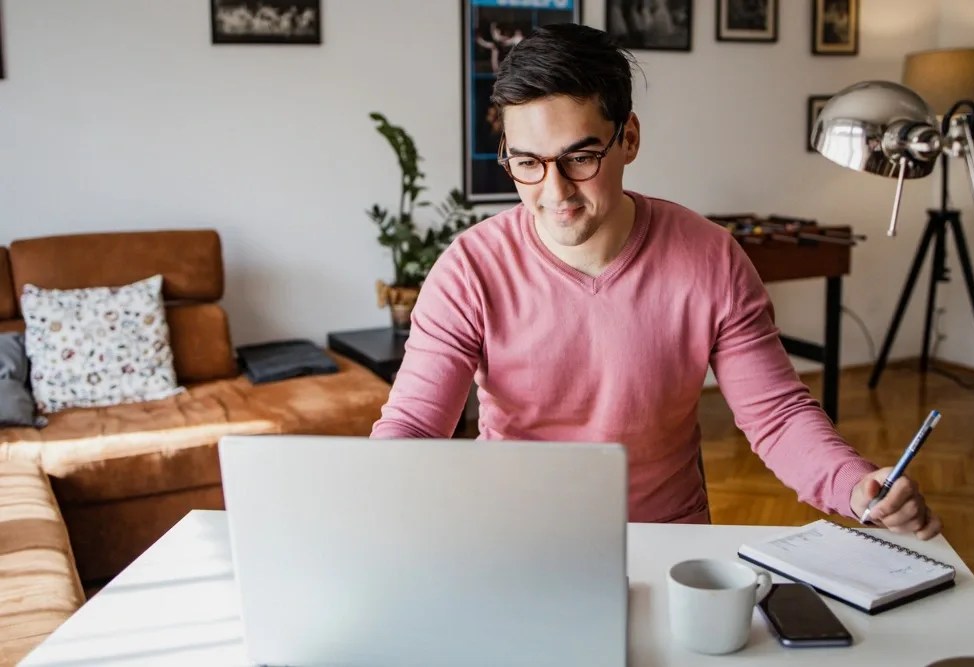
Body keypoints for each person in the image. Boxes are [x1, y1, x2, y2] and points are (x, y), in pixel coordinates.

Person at [371, 23, 941, 540]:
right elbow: (417, 423)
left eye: (580, 157)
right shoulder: (470, 268)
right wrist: (367, 498)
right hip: (515, 536)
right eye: (527, 163)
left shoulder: (710, 257)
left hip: (667, 538)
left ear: (630, 139)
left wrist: (854, 483)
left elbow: (778, 415)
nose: (555, 192)